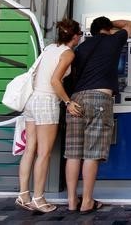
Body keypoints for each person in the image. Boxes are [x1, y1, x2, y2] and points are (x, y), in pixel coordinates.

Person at [59, 16, 131, 215]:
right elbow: (129, 25)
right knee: (92, 154)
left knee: (73, 153)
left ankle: (72, 202)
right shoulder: (114, 39)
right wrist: (111, 23)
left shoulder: (81, 48)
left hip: (76, 100)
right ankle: (87, 202)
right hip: (99, 99)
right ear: (108, 29)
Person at [15, 18, 82, 214]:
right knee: (44, 153)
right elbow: (55, 81)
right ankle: (39, 198)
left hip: (32, 99)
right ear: (75, 36)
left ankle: (23, 195)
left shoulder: (50, 48)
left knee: (30, 150)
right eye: (80, 34)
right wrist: (68, 102)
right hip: (46, 101)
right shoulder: (68, 53)